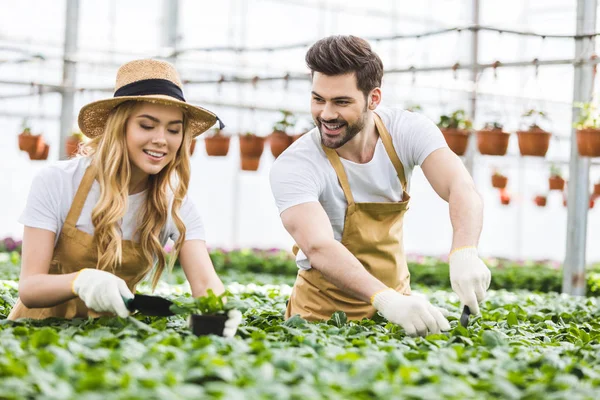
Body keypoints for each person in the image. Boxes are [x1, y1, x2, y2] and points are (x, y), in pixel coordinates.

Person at [269, 35, 491, 337]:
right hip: (321, 322)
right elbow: (318, 246)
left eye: (341, 102)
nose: (327, 114)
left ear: (373, 99)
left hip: (398, 316)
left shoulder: (407, 131)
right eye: (318, 99)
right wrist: (387, 300)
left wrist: (465, 251)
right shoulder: (296, 164)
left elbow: (460, 186)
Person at [9, 59, 238, 336]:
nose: (161, 139)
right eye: (147, 125)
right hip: (35, 339)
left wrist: (221, 311)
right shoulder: (58, 182)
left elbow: (205, 284)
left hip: (111, 341)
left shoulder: (174, 205)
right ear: (120, 127)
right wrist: (81, 281)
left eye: (173, 130)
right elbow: (30, 288)